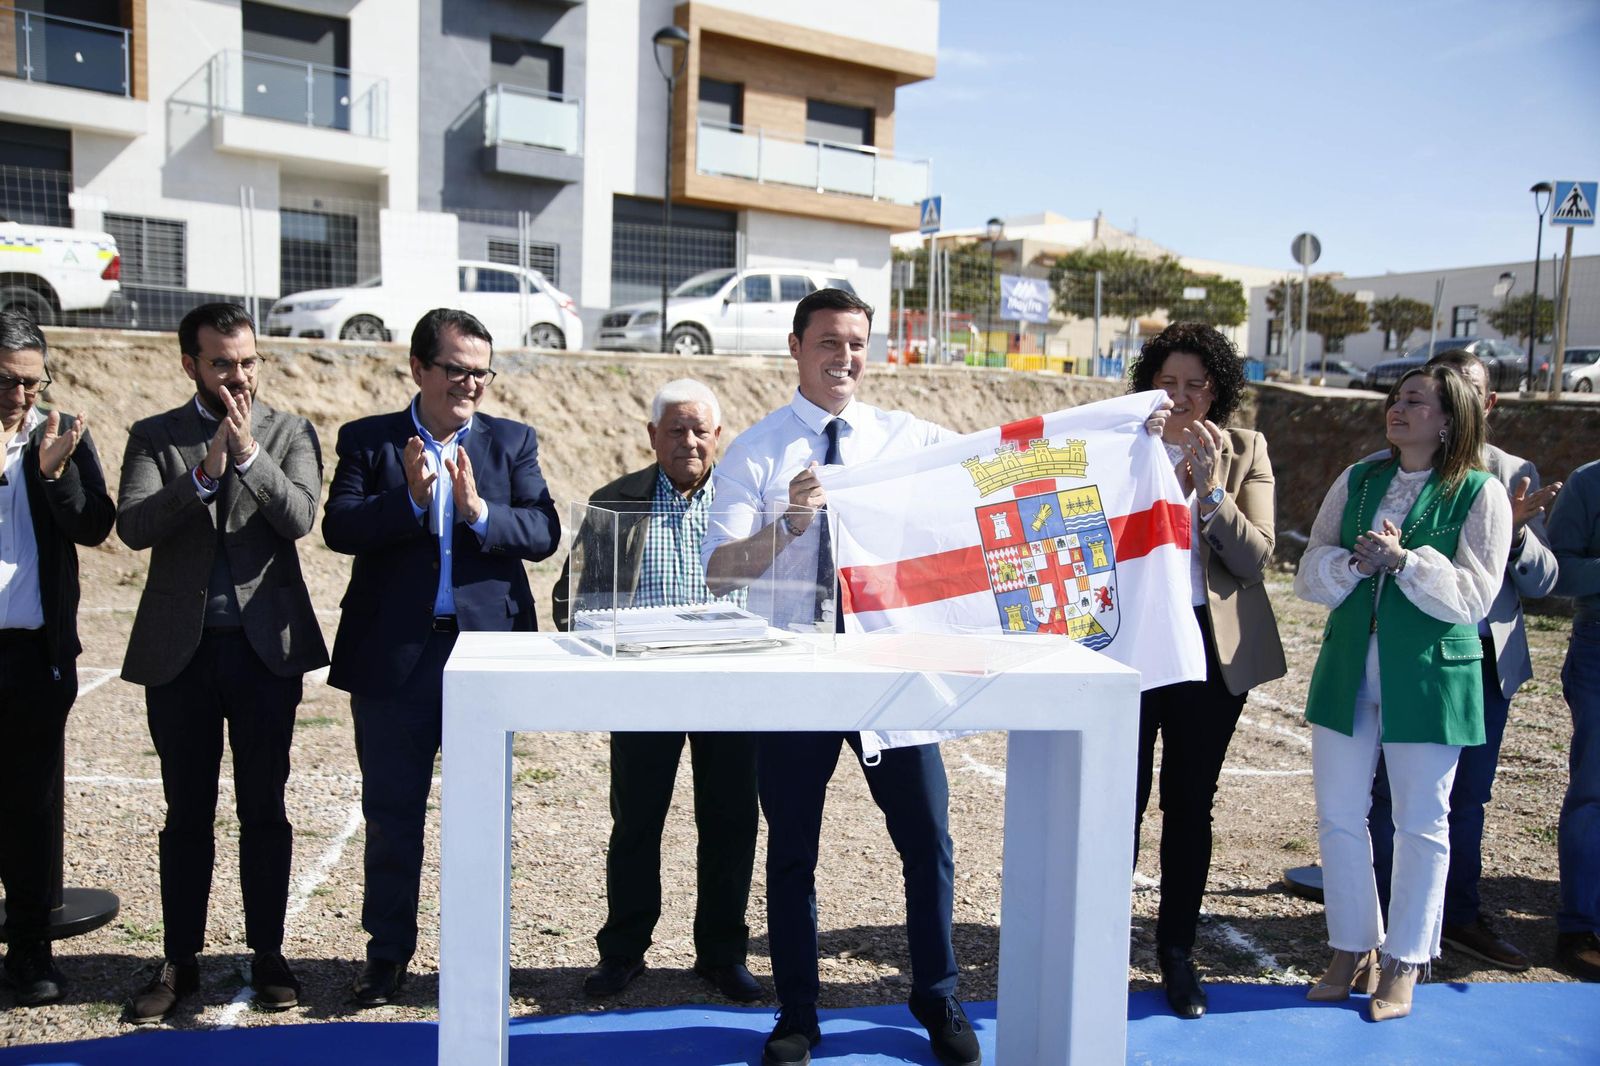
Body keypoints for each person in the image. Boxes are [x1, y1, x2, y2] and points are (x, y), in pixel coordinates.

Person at [701, 288, 980, 1066]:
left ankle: (938, 995)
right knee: (791, 848)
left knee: (927, 838)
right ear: (796, 346)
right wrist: (785, 526)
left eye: (857, 343)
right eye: (828, 342)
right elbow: (720, 573)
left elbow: (992, 467)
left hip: (891, 669)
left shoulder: (905, 439)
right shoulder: (756, 452)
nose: (845, 357)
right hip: (796, 672)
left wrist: (1124, 437)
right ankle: (798, 1011)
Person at [323, 307, 559, 1007]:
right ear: (418, 368)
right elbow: (339, 527)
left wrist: (479, 512)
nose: (469, 385)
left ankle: (475, 958)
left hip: (485, 656)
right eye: (455, 370)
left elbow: (543, 529)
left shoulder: (512, 442)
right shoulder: (369, 440)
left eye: (481, 373)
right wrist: (412, 500)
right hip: (398, 659)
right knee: (393, 816)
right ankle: (386, 957)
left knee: (482, 819)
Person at [116, 303, 328, 1022]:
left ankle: (267, 953)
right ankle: (180, 963)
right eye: (221, 363)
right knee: (188, 815)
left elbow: (299, 518)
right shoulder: (154, 436)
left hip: (267, 654)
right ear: (191, 365)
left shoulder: (290, 432)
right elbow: (135, 526)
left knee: (264, 808)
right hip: (180, 658)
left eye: (247, 361)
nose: (238, 375)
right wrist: (203, 471)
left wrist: (245, 457)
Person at [1295, 364, 1510, 1021]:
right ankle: (1351, 946)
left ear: (1450, 419)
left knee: (1421, 821)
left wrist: (1408, 562)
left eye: (1416, 400)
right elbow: (1309, 570)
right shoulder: (1359, 478)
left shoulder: (1481, 492)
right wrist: (1357, 564)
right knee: (1338, 813)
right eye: (1397, 398)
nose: (1399, 407)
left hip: (1430, 675)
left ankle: (1406, 958)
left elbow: (1476, 595)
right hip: (1347, 669)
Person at [550, 379, 761, 1002]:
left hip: (729, 686)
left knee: (730, 822)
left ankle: (722, 954)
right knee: (636, 821)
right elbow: (570, 599)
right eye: (676, 429)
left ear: (718, 437)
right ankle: (623, 952)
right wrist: (604, 649)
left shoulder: (744, 502)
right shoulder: (615, 501)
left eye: (700, 430)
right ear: (652, 437)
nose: (689, 441)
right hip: (642, 687)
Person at [1367, 349, 1559, 971]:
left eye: (1472, 391)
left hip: (1481, 657)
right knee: (1388, 795)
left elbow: (1547, 580)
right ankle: (1381, 920)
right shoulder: (1389, 472)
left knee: (1466, 797)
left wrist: (1518, 533)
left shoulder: (1510, 472)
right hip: (1407, 653)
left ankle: (1460, 916)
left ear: (1485, 404)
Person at [1126, 323, 1286, 1019]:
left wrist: (1213, 493)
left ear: (1220, 389)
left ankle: (1176, 952)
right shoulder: (1119, 443)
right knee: (1117, 799)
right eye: (1169, 383)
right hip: (1133, 641)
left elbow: (1256, 558)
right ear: (1148, 384)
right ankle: (1099, 944)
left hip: (1210, 649)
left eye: (1199, 385)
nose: (1183, 397)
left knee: (1190, 803)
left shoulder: (1246, 449)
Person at [0, 311, 114, 1007]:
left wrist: (52, 474)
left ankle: (31, 952)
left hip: (34, 653)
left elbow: (95, 523)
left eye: (33, 383)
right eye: (9, 382)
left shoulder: (61, 431)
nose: (21, 396)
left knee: (33, 805)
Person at [1548, 457, 1600, 981]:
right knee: (1594, 791)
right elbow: (1558, 569)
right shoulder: (1589, 482)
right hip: (1598, 645)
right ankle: (1580, 927)